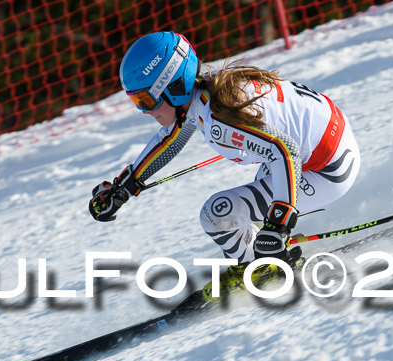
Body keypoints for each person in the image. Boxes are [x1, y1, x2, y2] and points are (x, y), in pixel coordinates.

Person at [89, 31, 361, 299]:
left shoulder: (219, 119)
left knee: (215, 215)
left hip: (325, 169)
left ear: (173, 88)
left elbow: (285, 150)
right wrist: (123, 188)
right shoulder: (204, 91)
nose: (144, 111)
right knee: (243, 212)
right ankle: (263, 255)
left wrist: (278, 225)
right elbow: (172, 137)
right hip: (325, 144)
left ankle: (265, 268)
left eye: (145, 100)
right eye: (136, 101)